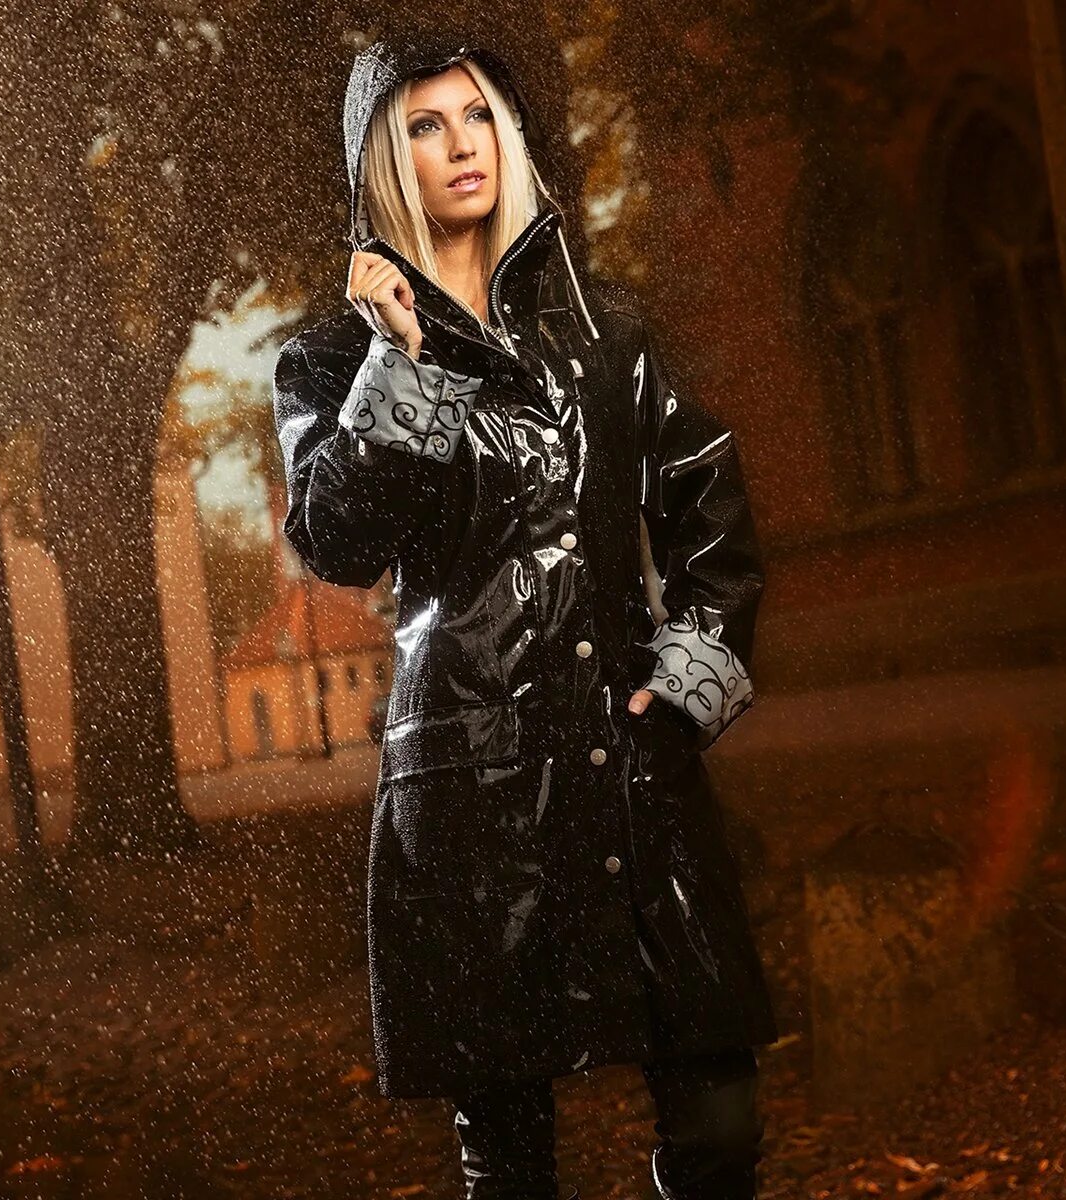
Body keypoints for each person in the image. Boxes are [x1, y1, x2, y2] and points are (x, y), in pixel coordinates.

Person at [271, 29, 777, 1200]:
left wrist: (686, 681)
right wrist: (404, 359)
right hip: (470, 790)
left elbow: (708, 505)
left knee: (719, 1121)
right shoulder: (332, 359)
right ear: (383, 162)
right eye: (426, 126)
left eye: (478, 116)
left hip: (631, 768)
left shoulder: (606, 332)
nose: (463, 145)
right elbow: (337, 542)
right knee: (508, 1160)